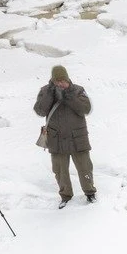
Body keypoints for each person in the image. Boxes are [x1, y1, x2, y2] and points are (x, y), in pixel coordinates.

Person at [34, 64, 95, 206]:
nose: (60, 83)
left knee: (85, 167)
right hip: (56, 139)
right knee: (60, 171)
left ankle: (90, 192)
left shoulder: (78, 90)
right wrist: (50, 95)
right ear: (52, 80)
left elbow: (85, 109)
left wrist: (69, 95)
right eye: (57, 81)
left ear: (67, 79)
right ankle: (65, 196)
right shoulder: (45, 91)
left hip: (77, 137)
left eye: (63, 80)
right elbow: (40, 111)